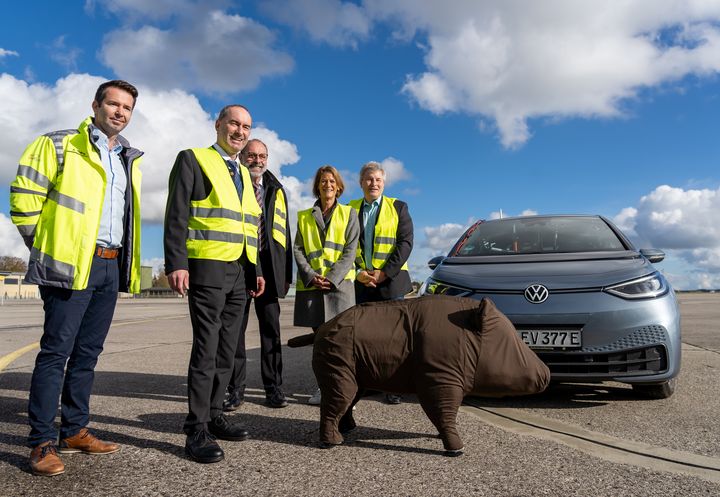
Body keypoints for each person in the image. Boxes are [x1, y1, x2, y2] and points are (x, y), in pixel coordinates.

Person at [9, 80, 143, 477]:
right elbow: (23, 197)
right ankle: (40, 442)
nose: (120, 112)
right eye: (113, 104)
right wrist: (49, 249)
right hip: (70, 266)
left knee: (88, 353)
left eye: (127, 108)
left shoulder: (126, 158)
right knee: (56, 353)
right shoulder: (57, 144)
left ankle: (74, 430)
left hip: (108, 264)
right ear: (95, 105)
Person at [164, 104, 265, 464]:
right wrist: (176, 262)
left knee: (229, 349)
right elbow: (176, 214)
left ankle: (216, 412)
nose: (240, 130)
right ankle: (197, 427)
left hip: (240, 270)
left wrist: (254, 269)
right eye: (234, 124)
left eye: (246, 126)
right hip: (207, 266)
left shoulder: (243, 172)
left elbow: (248, 226)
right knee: (206, 348)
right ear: (218, 124)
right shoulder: (194, 159)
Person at [224, 139, 293, 410]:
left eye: (262, 156)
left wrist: (286, 274)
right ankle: (235, 390)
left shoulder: (277, 189)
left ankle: (273, 388)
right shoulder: (233, 183)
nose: (257, 160)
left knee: (271, 332)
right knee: (234, 332)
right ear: (242, 156)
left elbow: (284, 233)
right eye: (251, 155)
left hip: (270, 267)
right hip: (241, 265)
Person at [348, 161, 413, 404]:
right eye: (369, 179)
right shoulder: (349, 209)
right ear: (361, 182)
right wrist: (358, 272)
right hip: (361, 282)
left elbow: (405, 243)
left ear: (383, 183)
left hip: (391, 283)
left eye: (378, 179)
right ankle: (368, 383)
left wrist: (384, 273)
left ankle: (394, 386)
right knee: (364, 338)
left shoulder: (398, 207)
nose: (373, 183)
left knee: (394, 338)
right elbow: (345, 245)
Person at [293, 165, 359, 405]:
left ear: (338, 186)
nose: (327, 185)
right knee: (320, 344)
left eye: (331, 181)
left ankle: (343, 388)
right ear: (317, 186)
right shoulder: (303, 216)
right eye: (323, 181)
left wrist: (331, 278)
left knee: (342, 343)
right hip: (312, 286)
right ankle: (323, 387)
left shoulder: (349, 214)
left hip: (339, 288)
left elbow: (350, 251)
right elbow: (298, 249)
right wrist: (311, 276)